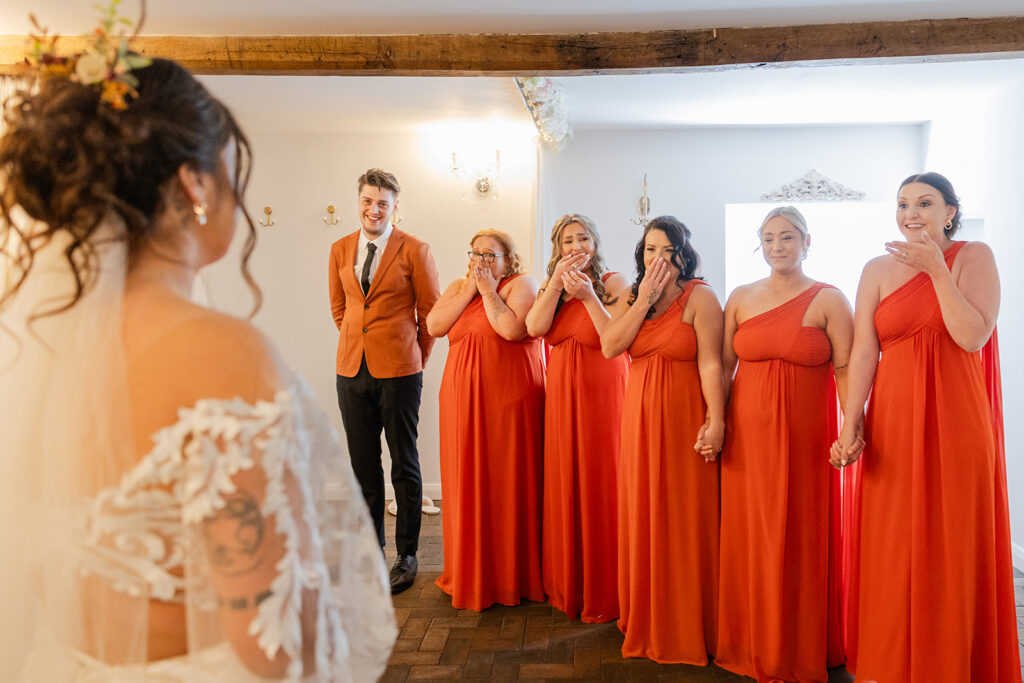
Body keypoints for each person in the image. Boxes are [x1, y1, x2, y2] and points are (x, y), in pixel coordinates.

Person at [0, 23, 395, 681]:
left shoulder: (35, 354)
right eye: (232, 172)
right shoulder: (222, 354)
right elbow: (276, 644)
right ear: (194, 184)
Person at [833, 173, 1020, 682]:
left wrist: (938, 270)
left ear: (949, 212)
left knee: (951, 543)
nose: (911, 213)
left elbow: (972, 335)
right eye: (902, 204)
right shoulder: (875, 269)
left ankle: (952, 664)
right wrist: (851, 421)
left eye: (925, 203)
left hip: (956, 422)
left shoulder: (973, 257)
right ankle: (894, 664)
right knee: (894, 546)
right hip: (893, 422)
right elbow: (864, 350)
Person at [714, 206, 852, 683]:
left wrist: (850, 427)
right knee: (750, 538)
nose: (778, 246)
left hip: (805, 444)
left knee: (800, 537)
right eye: (769, 238)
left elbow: (846, 368)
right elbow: (722, 368)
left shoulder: (830, 299)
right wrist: (717, 422)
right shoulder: (740, 297)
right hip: (747, 442)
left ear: (807, 242)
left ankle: (800, 644)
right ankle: (750, 640)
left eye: (788, 237)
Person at [600, 216, 725, 664]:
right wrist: (644, 300)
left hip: (684, 421)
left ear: (682, 254)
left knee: (685, 518)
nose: (658, 257)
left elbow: (713, 364)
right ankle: (647, 615)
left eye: (667, 249)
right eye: (651, 250)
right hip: (638, 423)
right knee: (643, 515)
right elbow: (611, 346)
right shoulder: (634, 296)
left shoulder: (702, 297)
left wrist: (716, 419)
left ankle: (689, 622)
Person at [328, 168, 441, 595]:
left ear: (395, 207)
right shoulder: (340, 249)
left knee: (404, 463)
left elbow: (429, 315)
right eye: (367, 201)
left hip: (400, 371)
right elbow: (340, 310)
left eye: (383, 203)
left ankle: (407, 554)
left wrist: (415, 357)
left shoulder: (415, 249)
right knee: (363, 466)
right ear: (358, 201)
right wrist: (356, 343)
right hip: (351, 370)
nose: (374, 209)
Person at [426, 229, 545, 611]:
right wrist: (470, 290)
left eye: (490, 255)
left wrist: (489, 290)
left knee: (504, 482)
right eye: (475, 254)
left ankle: (510, 575)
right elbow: (434, 326)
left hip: (507, 402)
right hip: (461, 403)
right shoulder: (461, 286)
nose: (481, 261)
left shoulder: (520, 284)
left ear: (508, 260)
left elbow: (512, 329)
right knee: (466, 482)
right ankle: (469, 570)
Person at [524, 214, 630, 623]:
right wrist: (555, 286)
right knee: (566, 479)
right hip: (561, 398)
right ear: (558, 248)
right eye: (567, 241)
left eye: (583, 238)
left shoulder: (615, 284)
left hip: (604, 394)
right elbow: (534, 327)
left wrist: (588, 295)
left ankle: (608, 586)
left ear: (595, 241)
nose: (575, 246)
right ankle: (570, 580)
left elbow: (615, 338)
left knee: (602, 481)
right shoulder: (556, 288)